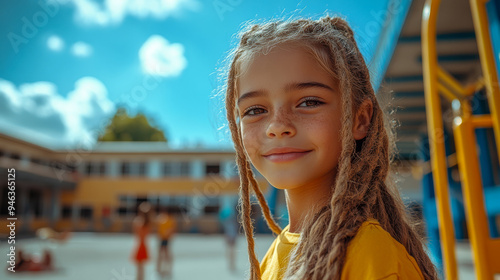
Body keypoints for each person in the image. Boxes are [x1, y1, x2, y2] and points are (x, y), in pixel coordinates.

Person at [223, 16, 438, 280]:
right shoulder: (272, 258)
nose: (277, 126)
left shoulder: (372, 257)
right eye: (255, 110)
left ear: (359, 119)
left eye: (309, 102)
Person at [132, 202, 152, 280]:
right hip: (144, 244)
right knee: (142, 267)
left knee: (139, 266)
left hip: (140, 245)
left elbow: (135, 232)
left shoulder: (138, 221)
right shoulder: (148, 222)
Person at [156, 207, 176, 278]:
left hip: (166, 238)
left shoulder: (168, 219)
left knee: (165, 253)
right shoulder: (161, 218)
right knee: (161, 254)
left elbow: (172, 229)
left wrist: (168, 234)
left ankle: (167, 268)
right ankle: (160, 268)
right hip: (162, 238)